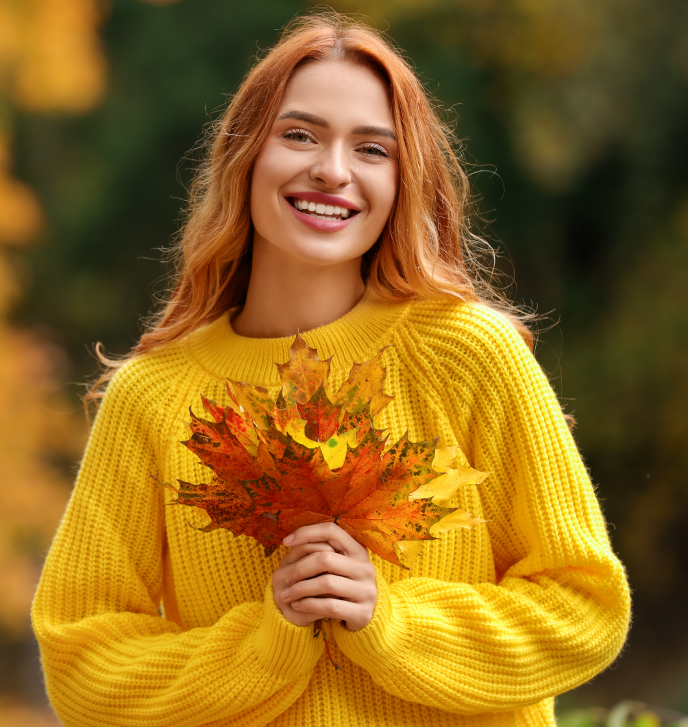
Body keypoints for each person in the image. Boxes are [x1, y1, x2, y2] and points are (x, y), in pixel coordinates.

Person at [32, 11, 630, 727]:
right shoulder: (153, 397)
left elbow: (585, 606)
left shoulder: (470, 353)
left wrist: (391, 619)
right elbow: (83, 666)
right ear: (246, 155)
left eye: (372, 149)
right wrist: (267, 642)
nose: (333, 170)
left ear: (403, 180)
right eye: (300, 135)